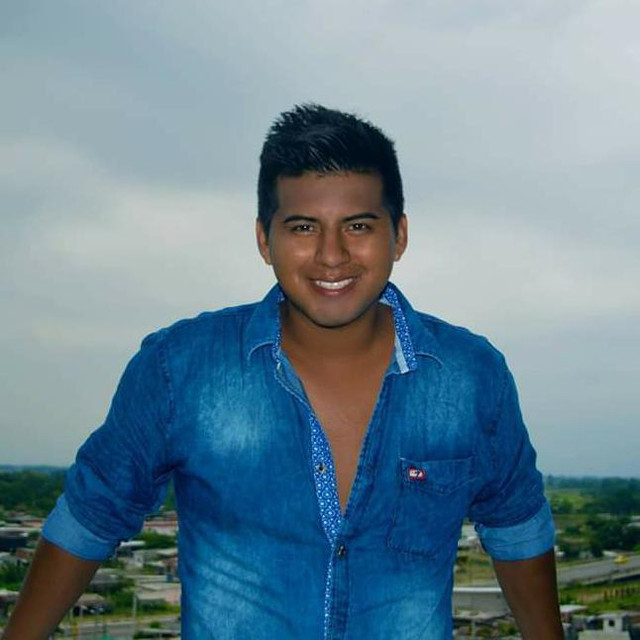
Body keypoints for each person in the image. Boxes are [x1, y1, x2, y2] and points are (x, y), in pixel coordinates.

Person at [2, 104, 563, 640]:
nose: (331, 255)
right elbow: (91, 517)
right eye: (302, 227)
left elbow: (516, 526)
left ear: (399, 235)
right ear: (263, 240)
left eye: (358, 226)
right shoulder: (180, 369)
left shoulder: (471, 377)